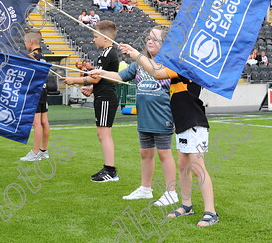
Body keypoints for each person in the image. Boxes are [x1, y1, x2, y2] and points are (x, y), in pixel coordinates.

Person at [103, 33, 219, 227]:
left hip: (194, 121)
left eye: (156, 39)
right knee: (183, 165)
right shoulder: (177, 64)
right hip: (182, 122)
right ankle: (186, 205)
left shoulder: (184, 66)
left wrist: (135, 54)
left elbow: (157, 73)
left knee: (198, 168)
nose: (150, 41)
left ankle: (211, 212)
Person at [96, 26, 179, 206]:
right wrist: (101, 73)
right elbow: (119, 76)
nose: (149, 41)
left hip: (163, 115)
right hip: (144, 117)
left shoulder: (170, 65)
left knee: (164, 153)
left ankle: (171, 192)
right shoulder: (138, 65)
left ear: (165, 44)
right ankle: (145, 189)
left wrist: (177, 117)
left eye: (155, 39)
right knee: (145, 153)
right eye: (148, 38)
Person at [62, 21, 121, 183]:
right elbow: (103, 79)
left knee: (104, 133)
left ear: (104, 37)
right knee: (102, 133)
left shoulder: (109, 53)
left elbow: (96, 78)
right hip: (102, 96)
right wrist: (92, 89)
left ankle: (110, 170)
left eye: (95, 36)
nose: (93, 40)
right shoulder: (106, 53)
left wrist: (73, 79)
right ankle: (108, 168)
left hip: (106, 98)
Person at [20, 31, 52, 162]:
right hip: (43, 91)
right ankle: (43, 150)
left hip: (35, 93)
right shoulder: (42, 56)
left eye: (26, 41)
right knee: (44, 122)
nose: (25, 44)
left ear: (31, 42)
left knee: (36, 123)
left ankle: (35, 152)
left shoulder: (31, 57)